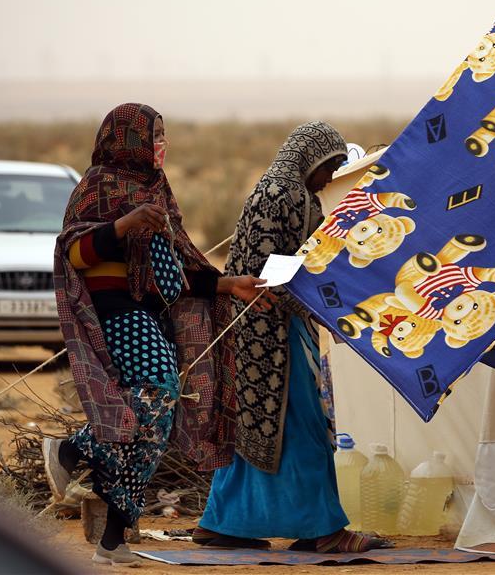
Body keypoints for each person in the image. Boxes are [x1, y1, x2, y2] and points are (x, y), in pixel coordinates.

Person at [42, 103, 273, 567]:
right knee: (161, 391)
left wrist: (230, 284)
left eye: (164, 133)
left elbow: (176, 274)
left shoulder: (157, 190)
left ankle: (112, 537)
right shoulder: (97, 184)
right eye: (154, 134)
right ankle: (72, 447)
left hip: (149, 314)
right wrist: (125, 225)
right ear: (128, 138)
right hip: (113, 313)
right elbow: (76, 253)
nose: (161, 143)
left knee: (153, 425)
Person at [192, 122, 390, 552]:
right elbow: (296, 276)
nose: (329, 178)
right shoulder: (296, 197)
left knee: (250, 426)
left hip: (245, 329)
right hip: (275, 334)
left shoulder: (266, 186)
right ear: (312, 160)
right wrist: (338, 319)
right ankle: (324, 530)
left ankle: (224, 522)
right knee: (302, 424)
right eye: (329, 167)